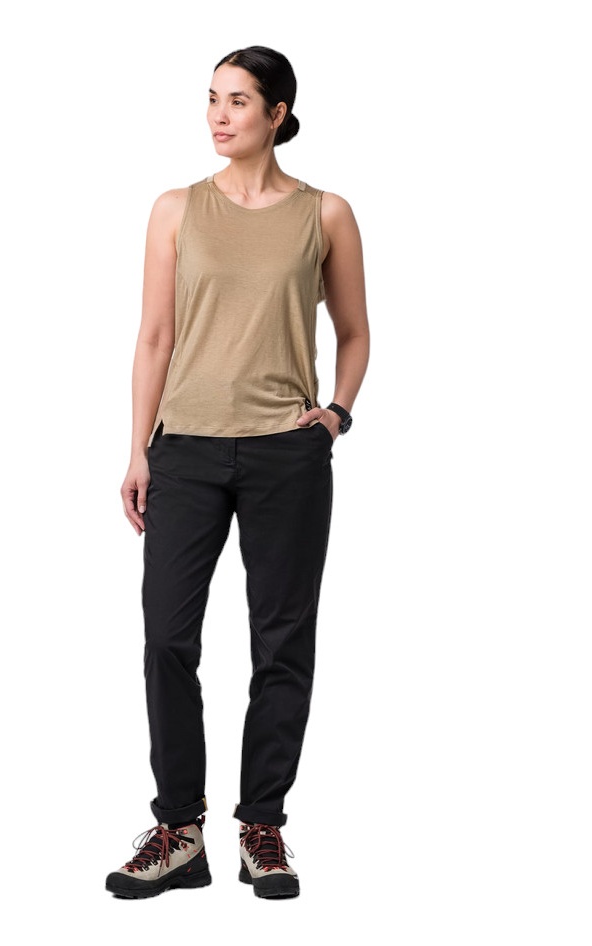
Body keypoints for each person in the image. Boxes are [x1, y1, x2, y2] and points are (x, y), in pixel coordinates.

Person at [106, 45, 369, 900]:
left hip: (286, 454)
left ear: (278, 114)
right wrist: (138, 448)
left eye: (239, 101)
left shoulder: (325, 214)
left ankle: (263, 825)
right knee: (166, 638)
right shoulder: (176, 209)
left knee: (282, 642)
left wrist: (335, 414)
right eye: (213, 99)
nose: (220, 116)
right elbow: (154, 336)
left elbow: (356, 331)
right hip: (185, 448)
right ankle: (180, 830)